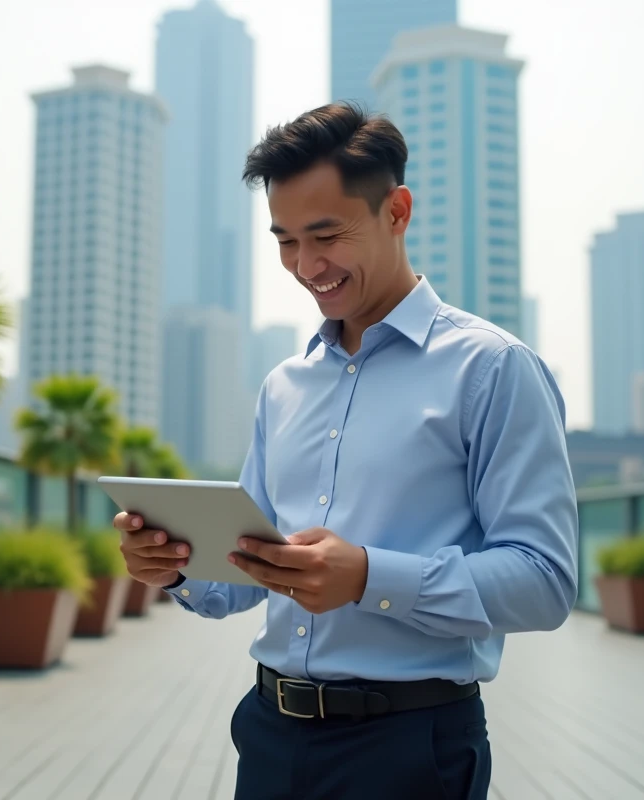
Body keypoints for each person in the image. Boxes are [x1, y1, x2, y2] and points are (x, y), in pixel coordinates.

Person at [115, 102, 578, 800]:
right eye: (285, 241)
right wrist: (175, 566)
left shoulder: (492, 370)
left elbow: (544, 581)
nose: (306, 266)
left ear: (397, 211)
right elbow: (246, 572)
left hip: (409, 749)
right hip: (269, 735)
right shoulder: (283, 386)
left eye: (326, 235)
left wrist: (367, 576)